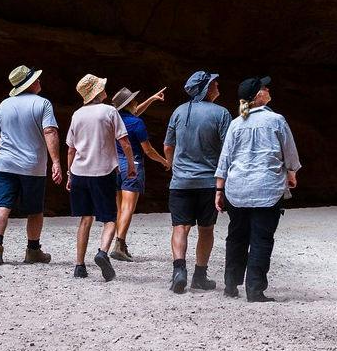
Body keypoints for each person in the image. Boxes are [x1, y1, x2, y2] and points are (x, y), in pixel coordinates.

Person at [214, 76, 301, 302]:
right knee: (261, 240)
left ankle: (230, 285)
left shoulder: (235, 123)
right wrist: (291, 173)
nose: (268, 89)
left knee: (236, 238)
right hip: (267, 190)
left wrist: (219, 190)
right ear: (258, 96)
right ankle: (255, 290)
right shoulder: (276, 120)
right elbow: (289, 151)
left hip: (237, 190)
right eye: (264, 87)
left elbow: (225, 159)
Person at [0, 64, 62, 266]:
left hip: (4, 164)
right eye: (36, 79)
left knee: (2, 204)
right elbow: (50, 132)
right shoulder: (43, 104)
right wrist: (56, 162)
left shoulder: (3, 105)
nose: (39, 81)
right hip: (32, 165)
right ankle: (33, 250)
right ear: (29, 84)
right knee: (35, 209)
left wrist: (7, 152)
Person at [163, 71, 232, 294]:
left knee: (180, 227)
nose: (217, 84)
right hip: (208, 182)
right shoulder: (221, 114)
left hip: (180, 182)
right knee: (206, 228)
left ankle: (178, 271)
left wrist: (174, 167)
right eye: (213, 83)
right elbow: (228, 149)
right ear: (206, 88)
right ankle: (199, 276)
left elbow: (167, 146)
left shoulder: (178, 112)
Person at [64, 74, 129, 281]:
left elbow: (70, 149)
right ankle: (102, 252)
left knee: (85, 218)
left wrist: (69, 174)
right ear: (97, 92)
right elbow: (124, 141)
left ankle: (79, 265)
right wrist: (130, 167)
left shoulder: (77, 115)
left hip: (79, 172)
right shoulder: (109, 111)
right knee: (109, 218)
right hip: (103, 172)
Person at [105, 86, 170, 261]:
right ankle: (119, 244)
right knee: (128, 207)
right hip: (131, 166)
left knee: (120, 208)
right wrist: (164, 161)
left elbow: (134, 113)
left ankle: (120, 244)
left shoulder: (113, 119)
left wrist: (151, 99)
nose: (136, 103)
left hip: (114, 166)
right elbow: (147, 150)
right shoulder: (137, 123)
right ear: (130, 103)